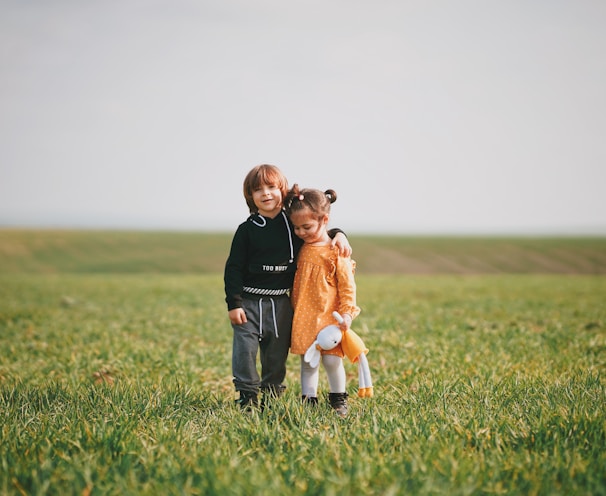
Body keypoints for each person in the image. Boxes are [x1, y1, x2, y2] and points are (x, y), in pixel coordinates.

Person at [224, 164, 352, 411]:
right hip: (249, 302)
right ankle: (247, 397)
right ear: (250, 196)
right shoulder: (247, 230)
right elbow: (234, 268)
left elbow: (316, 232)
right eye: (258, 189)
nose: (266, 193)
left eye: (272, 187)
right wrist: (234, 303)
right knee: (245, 353)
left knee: (275, 355)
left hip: (282, 303)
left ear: (282, 190)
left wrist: (340, 233)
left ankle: (272, 397)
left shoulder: (292, 225)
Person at [284, 184, 360, 418]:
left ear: (324, 219)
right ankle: (308, 401)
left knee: (331, 361)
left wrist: (347, 314)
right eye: (296, 227)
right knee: (308, 362)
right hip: (304, 317)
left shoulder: (336, 251)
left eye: (306, 226)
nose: (300, 232)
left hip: (329, 319)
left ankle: (338, 400)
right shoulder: (301, 248)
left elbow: (348, 288)